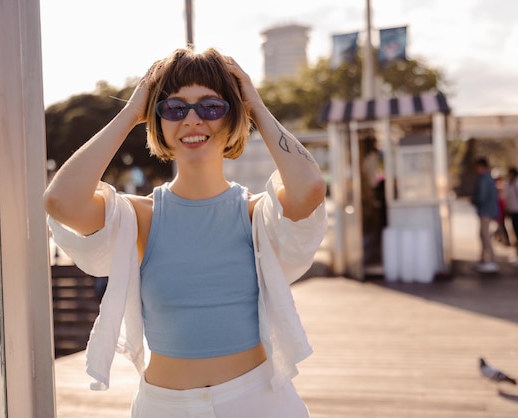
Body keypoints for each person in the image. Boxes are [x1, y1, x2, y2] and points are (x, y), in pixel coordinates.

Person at [44, 47, 328, 418]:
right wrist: (131, 112)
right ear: (158, 120)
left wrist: (255, 104)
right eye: (175, 109)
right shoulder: (140, 216)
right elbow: (61, 201)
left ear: (232, 116)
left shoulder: (256, 213)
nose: (193, 120)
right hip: (165, 407)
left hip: (257, 401)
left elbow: (309, 189)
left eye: (211, 107)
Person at [471, 157, 499, 273]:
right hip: (488, 210)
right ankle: (484, 259)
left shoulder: (483, 179)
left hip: (485, 210)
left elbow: (482, 196)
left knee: (485, 235)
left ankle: (491, 260)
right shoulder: (489, 178)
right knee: (483, 234)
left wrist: (474, 200)